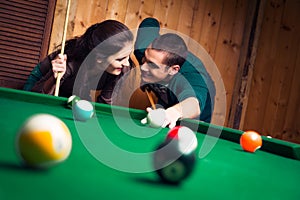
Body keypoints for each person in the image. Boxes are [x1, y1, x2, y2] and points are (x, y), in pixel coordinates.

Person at [114, 18, 214, 128]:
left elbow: (194, 105)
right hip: (165, 86)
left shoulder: (191, 77)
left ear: (173, 69)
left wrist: (174, 112)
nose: (143, 67)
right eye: (145, 59)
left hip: (199, 97)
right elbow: (150, 22)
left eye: (152, 65)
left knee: (187, 129)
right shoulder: (143, 49)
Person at [23, 19, 134, 104]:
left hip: (77, 87)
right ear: (99, 58)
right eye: (120, 59)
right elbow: (39, 97)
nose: (127, 63)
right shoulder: (70, 63)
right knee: (29, 105)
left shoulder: (121, 69)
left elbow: (105, 103)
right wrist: (54, 77)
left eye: (128, 56)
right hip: (44, 80)